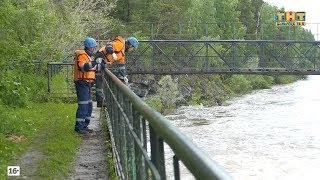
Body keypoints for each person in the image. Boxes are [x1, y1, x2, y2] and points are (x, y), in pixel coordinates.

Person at [94, 36, 139, 107]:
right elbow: (109, 45)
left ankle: (102, 100)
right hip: (100, 57)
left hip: (105, 62)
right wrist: (112, 52)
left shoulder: (122, 54)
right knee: (99, 79)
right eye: (132, 48)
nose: (131, 50)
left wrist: (124, 77)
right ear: (130, 45)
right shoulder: (120, 44)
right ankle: (100, 101)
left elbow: (121, 67)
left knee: (102, 79)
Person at [73, 37, 104, 134]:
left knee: (89, 105)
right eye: (93, 48)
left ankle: (84, 126)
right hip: (82, 83)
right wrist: (95, 62)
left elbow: (93, 67)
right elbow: (84, 67)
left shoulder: (87, 56)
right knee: (83, 105)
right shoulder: (82, 56)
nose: (94, 49)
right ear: (89, 47)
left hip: (87, 84)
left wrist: (103, 65)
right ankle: (79, 127)